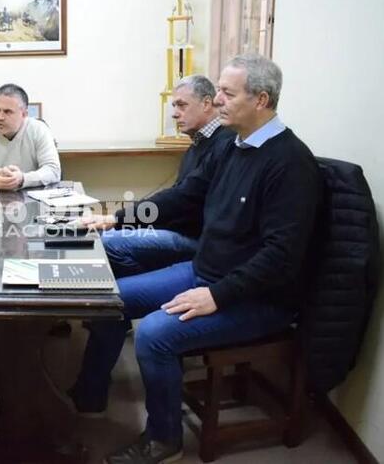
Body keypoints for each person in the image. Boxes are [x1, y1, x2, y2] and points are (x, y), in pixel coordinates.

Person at [71, 54, 322, 464]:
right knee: (109, 300)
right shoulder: (233, 146)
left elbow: (281, 257)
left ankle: (164, 438)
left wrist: (217, 296)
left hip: (256, 298)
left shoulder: (290, 163)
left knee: (153, 334)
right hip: (205, 273)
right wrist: (115, 218)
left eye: (227, 92)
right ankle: (88, 397)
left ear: (261, 99)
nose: (218, 99)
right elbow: (184, 196)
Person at [101, 74, 234, 278]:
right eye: (174, 106)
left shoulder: (224, 143)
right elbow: (176, 196)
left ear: (207, 103)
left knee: (107, 242)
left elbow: (182, 198)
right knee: (107, 234)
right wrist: (125, 219)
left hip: (196, 239)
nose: (174, 114)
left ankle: (144, 287)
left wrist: (117, 218)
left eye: (181, 105)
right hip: (180, 229)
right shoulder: (199, 142)